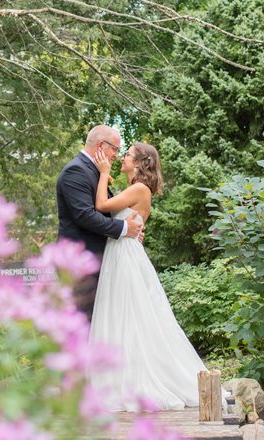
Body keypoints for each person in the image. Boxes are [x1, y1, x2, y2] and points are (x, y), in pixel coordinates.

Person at [88, 142, 214, 412]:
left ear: (140, 162)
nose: (123, 157)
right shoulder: (135, 188)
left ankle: (134, 379)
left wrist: (102, 171)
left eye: (128, 154)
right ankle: (120, 375)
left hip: (124, 256)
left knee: (129, 315)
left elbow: (100, 205)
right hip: (122, 252)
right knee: (124, 315)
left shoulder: (139, 188)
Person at [56, 125, 144, 320]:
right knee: (81, 324)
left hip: (96, 262)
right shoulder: (76, 171)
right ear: (101, 145)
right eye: (115, 148)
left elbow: (105, 212)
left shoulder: (94, 171)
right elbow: (85, 216)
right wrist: (123, 228)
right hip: (78, 263)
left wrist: (130, 231)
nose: (116, 155)